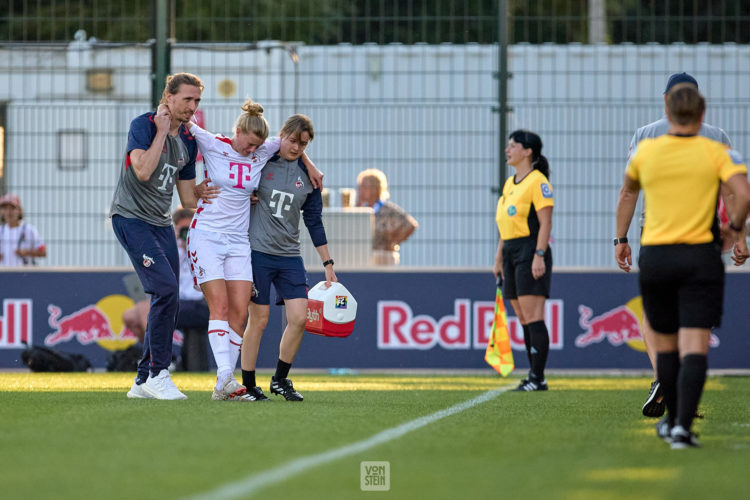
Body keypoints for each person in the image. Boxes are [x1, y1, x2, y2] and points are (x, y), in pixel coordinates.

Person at [616, 83, 750, 448]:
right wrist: (736, 231)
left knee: (663, 343)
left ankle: (669, 413)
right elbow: (743, 194)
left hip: (657, 254)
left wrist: (620, 239)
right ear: (702, 115)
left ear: (668, 113)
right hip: (700, 256)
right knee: (694, 343)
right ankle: (681, 429)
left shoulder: (647, 150)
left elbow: (628, 192)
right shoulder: (717, 149)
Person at [183, 99, 322, 402]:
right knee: (219, 306)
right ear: (238, 130)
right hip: (206, 235)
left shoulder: (264, 149)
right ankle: (225, 378)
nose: (251, 151)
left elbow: (292, 142)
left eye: (256, 147)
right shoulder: (212, 142)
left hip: (239, 242)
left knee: (239, 313)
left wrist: (309, 164)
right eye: (248, 145)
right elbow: (184, 124)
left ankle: (226, 383)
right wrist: (192, 188)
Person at [110, 72, 216, 400]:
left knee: (167, 298)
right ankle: (159, 372)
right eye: (187, 99)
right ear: (167, 97)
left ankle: (142, 380)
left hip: (160, 224)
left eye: (197, 100)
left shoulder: (188, 140)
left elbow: (187, 201)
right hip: (131, 219)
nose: (192, 106)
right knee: (167, 289)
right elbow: (142, 171)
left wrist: (217, 192)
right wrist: (161, 132)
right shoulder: (142, 125)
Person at [241, 114, 337, 402]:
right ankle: (248, 384)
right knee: (258, 319)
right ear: (282, 136)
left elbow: (314, 222)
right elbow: (237, 185)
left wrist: (328, 264)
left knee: (299, 317)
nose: (296, 148)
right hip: (258, 252)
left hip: (289, 256)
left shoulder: (309, 179)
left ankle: (280, 379)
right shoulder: (261, 162)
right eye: (293, 141)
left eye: (303, 145)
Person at [493, 130, 554, 392]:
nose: (508, 149)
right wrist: (498, 258)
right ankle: (533, 375)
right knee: (522, 316)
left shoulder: (538, 182)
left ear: (528, 151)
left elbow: (545, 222)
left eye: (513, 145)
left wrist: (539, 255)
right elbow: (505, 226)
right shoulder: (509, 184)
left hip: (530, 250)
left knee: (533, 315)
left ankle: (537, 377)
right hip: (511, 252)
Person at [121, 207, 211, 371]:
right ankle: (162, 357)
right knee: (129, 316)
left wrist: (191, 247)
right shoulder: (170, 247)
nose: (186, 233)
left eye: (189, 229)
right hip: (177, 301)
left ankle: (158, 361)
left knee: (147, 309)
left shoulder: (204, 244)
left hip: (199, 303)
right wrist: (177, 246)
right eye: (182, 230)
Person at [356, 168, 418, 265]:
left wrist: (394, 242)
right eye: (360, 187)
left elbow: (411, 225)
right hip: (365, 258)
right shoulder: (362, 210)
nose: (360, 190)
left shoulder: (389, 210)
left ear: (375, 189)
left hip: (384, 258)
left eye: (364, 187)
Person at [0, 193, 46, 266]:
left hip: (25, 274)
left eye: (12, 208)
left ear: (19, 210)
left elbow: (43, 252)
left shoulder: (29, 230)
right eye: (5, 208)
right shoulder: (1, 231)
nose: (8, 212)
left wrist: (26, 252)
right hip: (4, 274)